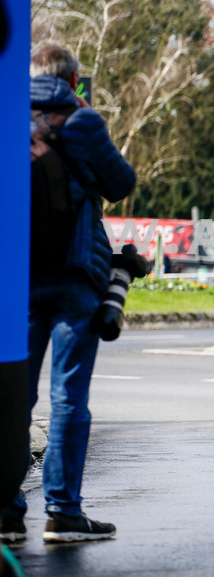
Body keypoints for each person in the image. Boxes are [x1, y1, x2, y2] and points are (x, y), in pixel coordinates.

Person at [3, 44, 136, 544]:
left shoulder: (6, 114)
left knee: (16, 396)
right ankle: (63, 512)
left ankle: (7, 513)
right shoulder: (81, 120)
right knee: (69, 397)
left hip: (16, 277)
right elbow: (120, 183)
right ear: (74, 78)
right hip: (75, 273)